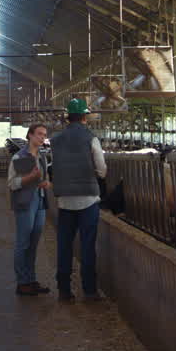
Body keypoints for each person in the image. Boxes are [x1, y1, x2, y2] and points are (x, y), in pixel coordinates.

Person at [49, 97, 106, 302]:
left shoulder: (55, 140)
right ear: (84, 117)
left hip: (65, 201)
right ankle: (89, 290)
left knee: (64, 246)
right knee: (87, 246)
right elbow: (101, 169)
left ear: (67, 117)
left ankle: (64, 290)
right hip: (88, 200)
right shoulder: (91, 138)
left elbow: (55, 166)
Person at [7, 123, 51, 296]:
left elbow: (42, 178)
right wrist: (30, 178)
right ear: (30, 135)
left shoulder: (42, 156)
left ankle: (31, 280)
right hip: (25, 202)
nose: (42, 137)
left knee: (33, 244)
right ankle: (22, 282)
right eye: (39, 134)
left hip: (40, 200)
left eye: (44, 135)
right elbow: (12, 183)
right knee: (23, 243)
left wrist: (45, 183)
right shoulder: (19, 157)